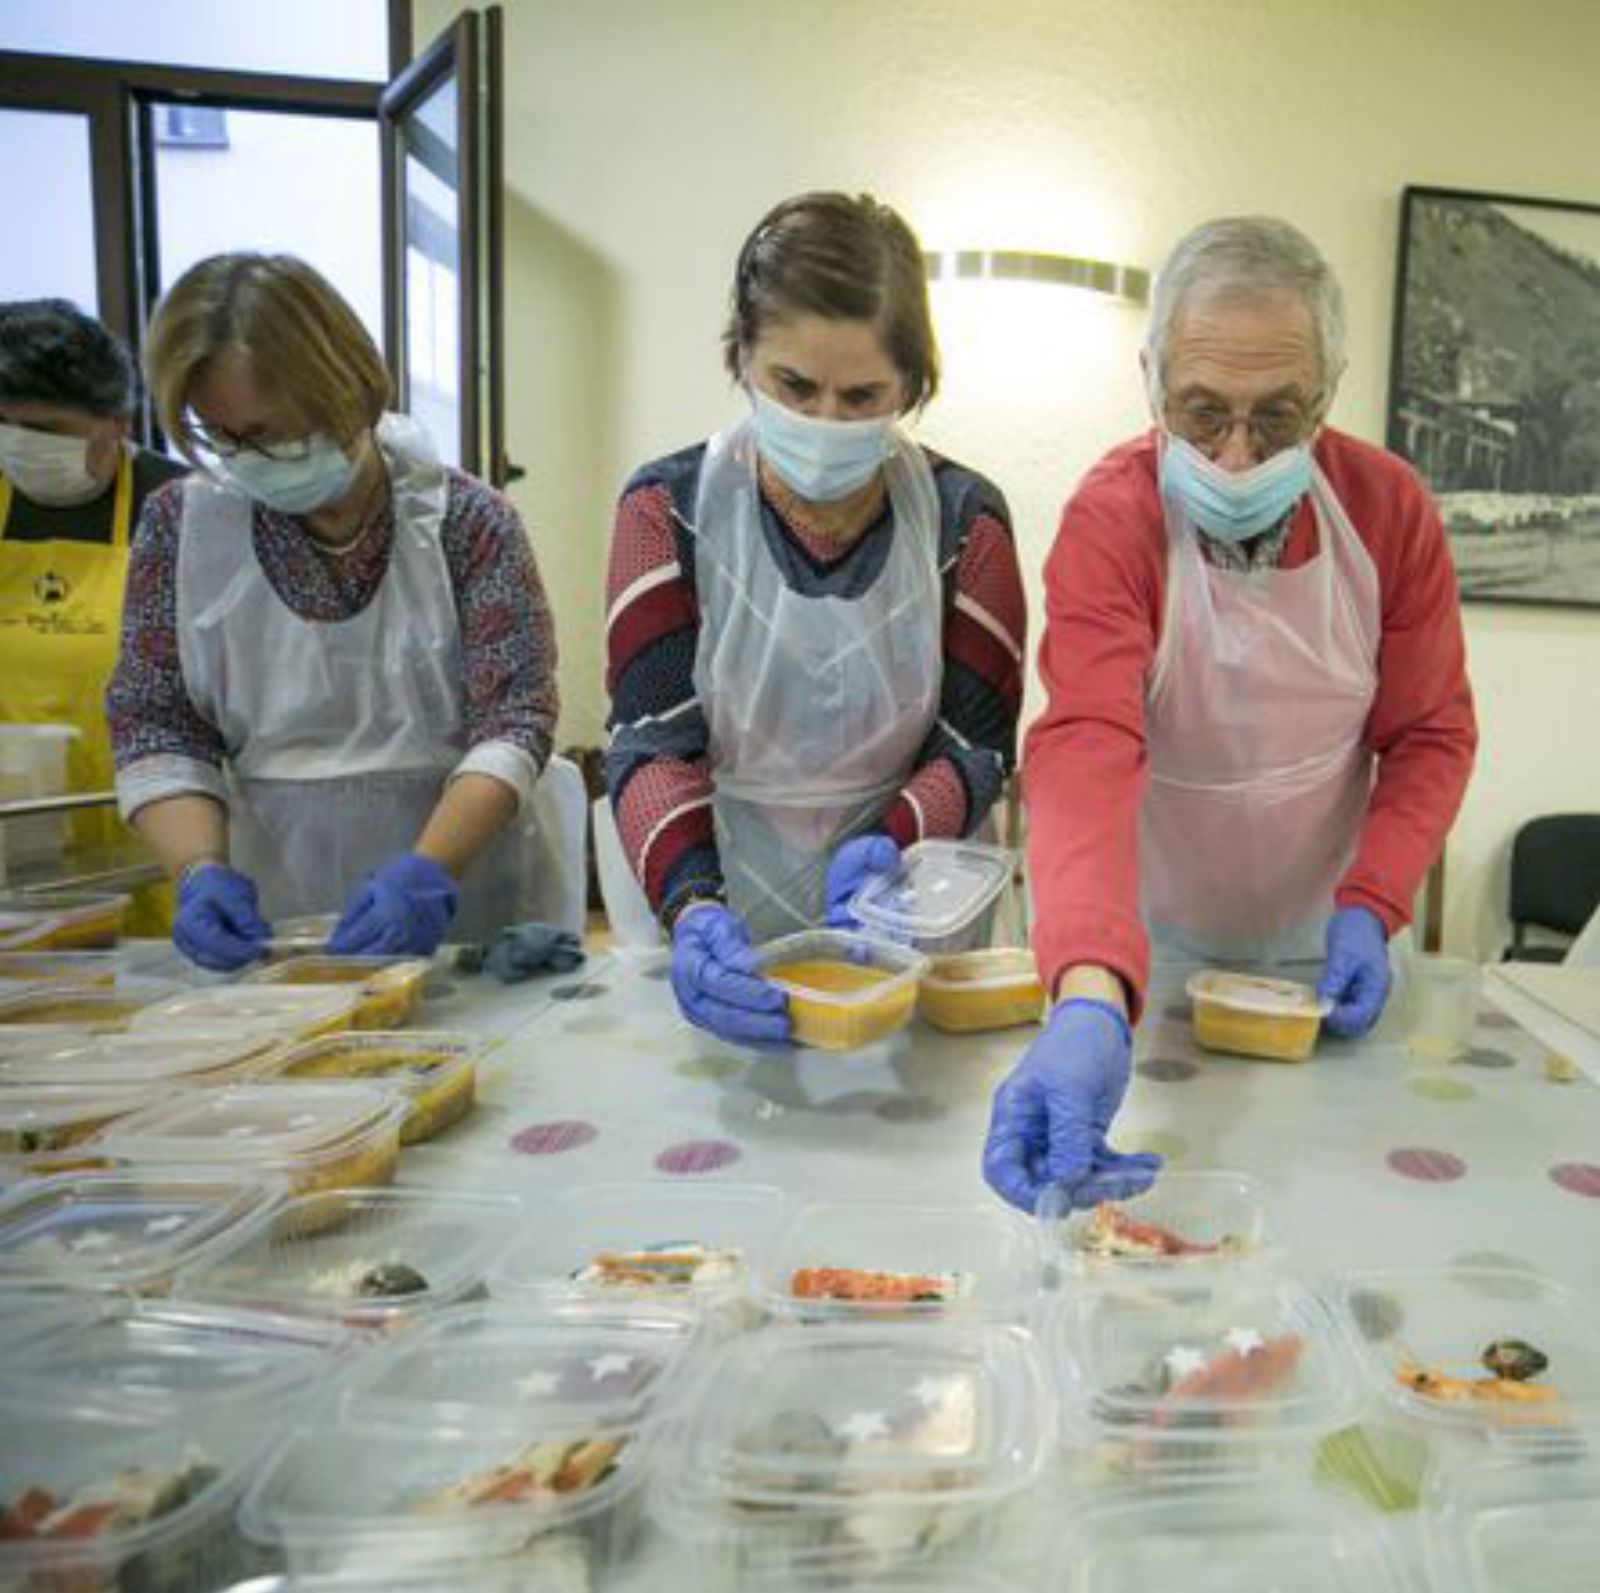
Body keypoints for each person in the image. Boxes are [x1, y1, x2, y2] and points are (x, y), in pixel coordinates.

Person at [983, 216, 1477, 1213]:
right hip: (1144, 953)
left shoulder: (1387, 511)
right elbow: (1085, 743)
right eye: (1201, 413)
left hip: (1330, 950)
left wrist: (1372, 903)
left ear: (1327, 395)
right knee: (1173, 1211)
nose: (1239, 455)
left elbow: (1429, 733)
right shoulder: (1115, 516)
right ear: (1150, 379)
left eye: (1278, 416)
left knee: (1339, 1212)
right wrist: (1087, 987)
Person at [603, 191, 1027, 1044]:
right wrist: (692, 905)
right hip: (715, 870)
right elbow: (652, 741)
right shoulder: (667, 508)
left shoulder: (963, 520)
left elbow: (976, 742)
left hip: (907, 901)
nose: (826, 422)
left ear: (913, 384)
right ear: (741, 356)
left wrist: (892, 841)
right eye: (794, 386)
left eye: (863, 395)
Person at [107, 253, 561, 970]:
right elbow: (156, 720)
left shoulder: (470, 523)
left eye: (271, 431)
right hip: (273, 910)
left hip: (461, 893)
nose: (250, 457)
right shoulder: (180, 528)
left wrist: (430, 868)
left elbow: (514, 717)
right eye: (225, 439)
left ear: (345, 390)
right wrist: (197, 868)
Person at [0, 299, 185, 929]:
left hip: (152, 848)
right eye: (3, 424)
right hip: (15, 854)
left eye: (46, 429)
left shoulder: (180, 508)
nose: (20, 446)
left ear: (116, 421)